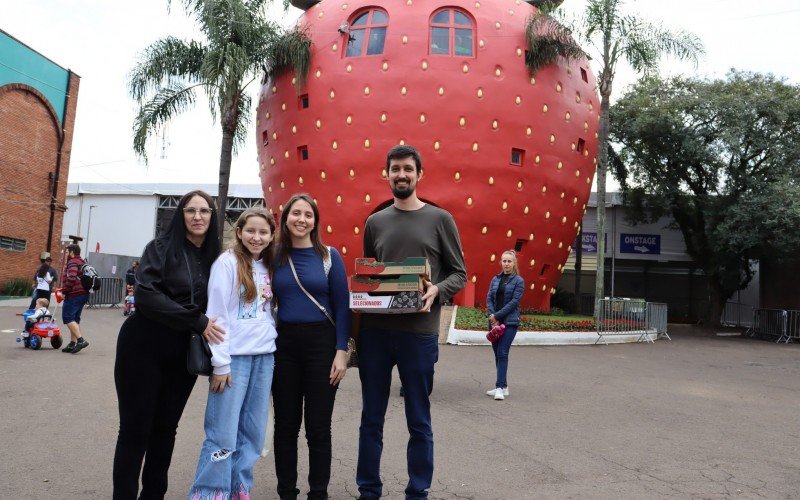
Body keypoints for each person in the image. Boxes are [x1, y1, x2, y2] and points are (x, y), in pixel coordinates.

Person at [356, 145, 467, 500]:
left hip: (418, 335)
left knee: (418, 419)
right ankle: (368, 489)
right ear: (385, 174)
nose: (401, 175)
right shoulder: (375, 222)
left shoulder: (440, 219)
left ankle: (417, 491)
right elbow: (372, 276)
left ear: (419, 175)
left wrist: (437, 289)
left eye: (407, 169)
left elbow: (459, 273)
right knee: (371, 417)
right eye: (395, 169)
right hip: (375, 333)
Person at [112, 190, 223, 500]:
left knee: (165, 430)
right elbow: (146, 296)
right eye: (191, 210)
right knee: (135, 431)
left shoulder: (216, 258)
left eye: (204, 211)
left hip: (183, 353)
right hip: (142, 346)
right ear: (181, 215)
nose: (198, 216)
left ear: (212, 217)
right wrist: (197, 321)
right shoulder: (160, 248)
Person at [189, 207, 278, 499]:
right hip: (233, 360)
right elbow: (217, 317)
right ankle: (210, 492)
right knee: (223, 433)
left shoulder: (268, 265)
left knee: (252, 434)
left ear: (271, 235)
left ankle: (239, 488)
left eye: (263, 232)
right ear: (239, 232)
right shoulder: (227, 264)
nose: (257, 237)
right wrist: (221, 363)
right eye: (250, 231)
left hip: (264, 358)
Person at [272, 193, 350, 500]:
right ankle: (286, 492)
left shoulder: (330, 256)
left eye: (308, 215)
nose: (301, 219)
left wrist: (341, 351)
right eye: (296, 213)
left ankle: (319, 493)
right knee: (285, 426)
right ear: (286, 218)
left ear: (315, 221)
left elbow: (342, 307)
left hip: (322, 345)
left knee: (319, 427)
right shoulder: (273, 254)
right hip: (284, 346)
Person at [485, 250, 525, 401]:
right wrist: (492, 316)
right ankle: (504, 386)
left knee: (502, 353)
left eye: (509, 261)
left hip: (510, 322)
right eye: (504, 261)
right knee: (497, 354)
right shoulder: (495, 279)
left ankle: (499, 388)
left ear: (514, 263)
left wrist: (497, 316)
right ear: (500, 262)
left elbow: (514, 302)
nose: (506, 264)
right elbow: (489, 298)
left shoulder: (519, 281)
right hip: (495, 322)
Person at [60, 244, 91, 354]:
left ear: (72, 252)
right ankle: (72, 344)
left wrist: (64, 291)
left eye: (67, 252)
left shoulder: (72, 262)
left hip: (74, 294)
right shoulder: (82, 262)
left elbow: (72, 277)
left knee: (68, 318)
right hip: (83, 294)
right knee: (74, 319)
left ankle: (80, 340)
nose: (66, 254)